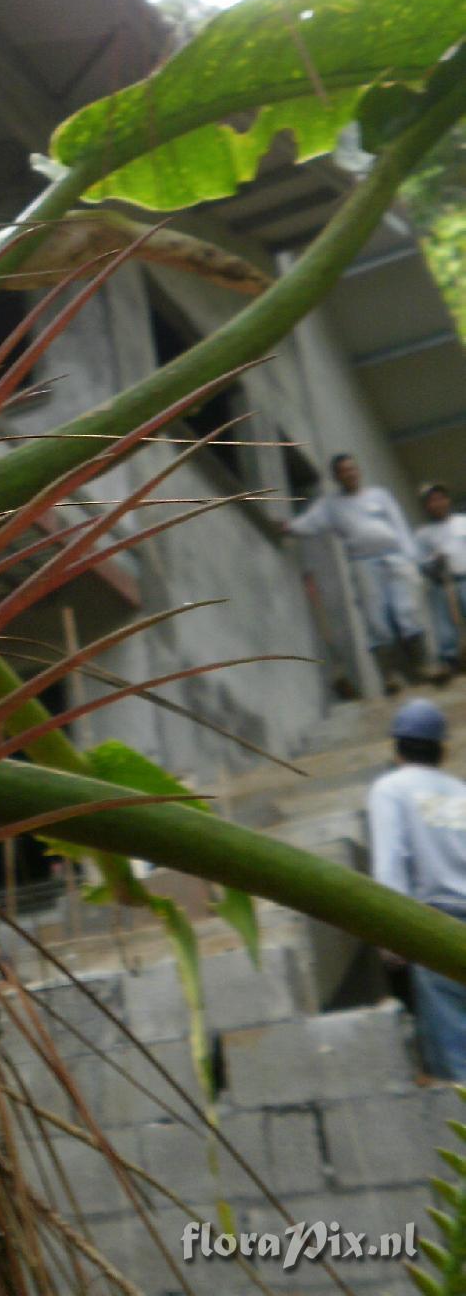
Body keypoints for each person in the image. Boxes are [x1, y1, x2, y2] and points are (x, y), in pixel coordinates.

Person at [282, 453, 441, 692]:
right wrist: (287, 527)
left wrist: (412, 559)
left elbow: (399, 526)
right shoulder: (331, 505)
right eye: (344, 471)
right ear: (337, 476)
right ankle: (390, 677)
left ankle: (424, 666)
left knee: (407, 611)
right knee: (376, 620)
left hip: (395, 558)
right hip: (363, 562)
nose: (350, 473)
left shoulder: (380, 495)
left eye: (353, 469)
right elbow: (309, 523)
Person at [367, 699, 466, 1081]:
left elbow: (390, 860)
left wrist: (390, 933)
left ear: (397, 747)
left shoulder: (391, 788)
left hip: (433, 923)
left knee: (455, 1053)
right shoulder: (459, 791)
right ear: (442, 748)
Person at [416, 482, 466, 672]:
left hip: (465, 578)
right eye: (431, 501)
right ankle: (453, 662)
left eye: (439, 498)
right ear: (427, 506)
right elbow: (421, 564)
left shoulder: (463, 522)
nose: (436, 504)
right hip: (442, 585)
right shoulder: (423, 534)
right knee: (446, 629)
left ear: (447, 500)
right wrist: (434, 560)